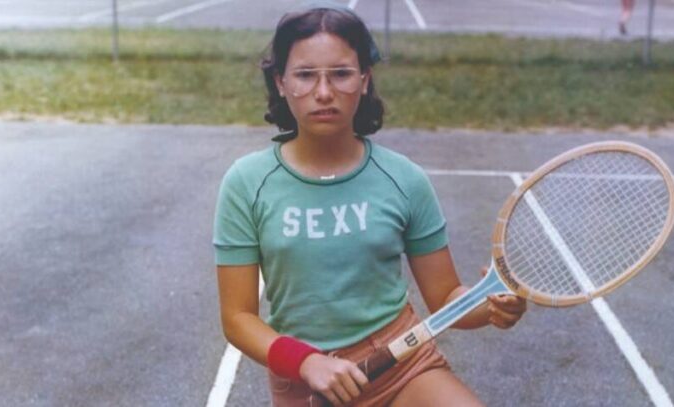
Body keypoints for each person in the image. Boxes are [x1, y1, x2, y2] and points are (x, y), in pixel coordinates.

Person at [212, 3, 527, 406]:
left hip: (403, 365)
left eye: (341, 74)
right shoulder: (247, 183)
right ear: (280, 82)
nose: (323, 92)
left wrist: (491, 309)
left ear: (364, 79)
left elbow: (447, 297)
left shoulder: (404, 178)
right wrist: (306, 361)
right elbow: (237, 319)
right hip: (306, 382)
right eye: (306, 75)